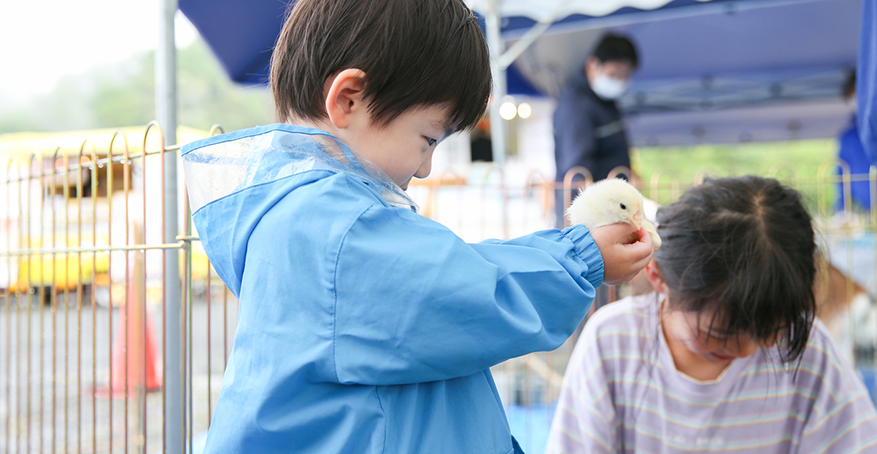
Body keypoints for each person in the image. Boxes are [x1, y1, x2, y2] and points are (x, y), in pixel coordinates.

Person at [180, 0, 655, 452]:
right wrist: (581, 259)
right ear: (348, 99)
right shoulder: (333, 228)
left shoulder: (314, 215)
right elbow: (466, 289)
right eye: (428, 139)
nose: (426, 168)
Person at [545, 176, 877, 453]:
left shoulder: (809, 351)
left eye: (768, 331)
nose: (746, 350)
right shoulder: (612, 342)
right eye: (720, 335)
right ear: (658, 277)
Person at [553, 33, 639, 227]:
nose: (620, 81)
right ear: (593, 65)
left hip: (610, 213)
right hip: (590, 221)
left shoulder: (606, 103)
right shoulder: (577, 106)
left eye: (625, 76)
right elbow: (577, 171)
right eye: (614, 74)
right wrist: (579, 226)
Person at [836, 70, 873, 212]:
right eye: (852, 94)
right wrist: (842, 211)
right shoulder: (849, 138)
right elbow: (841, 176)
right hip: (869, 212)